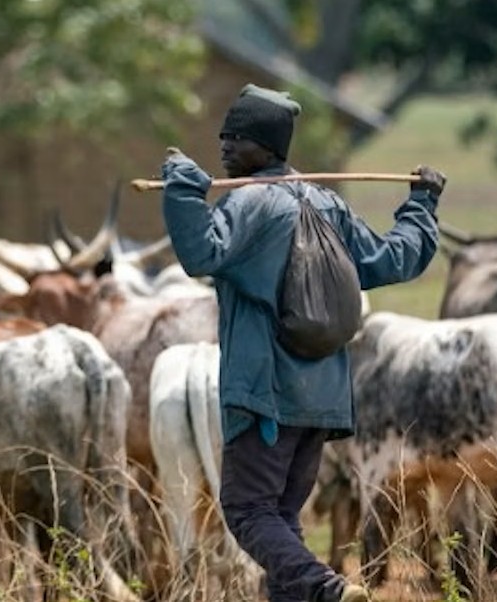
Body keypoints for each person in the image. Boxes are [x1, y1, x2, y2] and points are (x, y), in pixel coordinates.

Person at [158, 83, 444, 602]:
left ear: (266, 147)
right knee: (281, 521)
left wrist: (181, 189)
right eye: (223, 136)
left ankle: (327, 589)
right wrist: (422, 204)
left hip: (267, 397)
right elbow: (392, 259)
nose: (224, 146)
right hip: (324, 399)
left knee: (248, 513)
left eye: (237, 138)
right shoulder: (327, 204)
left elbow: (201, 253)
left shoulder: (250, 204)